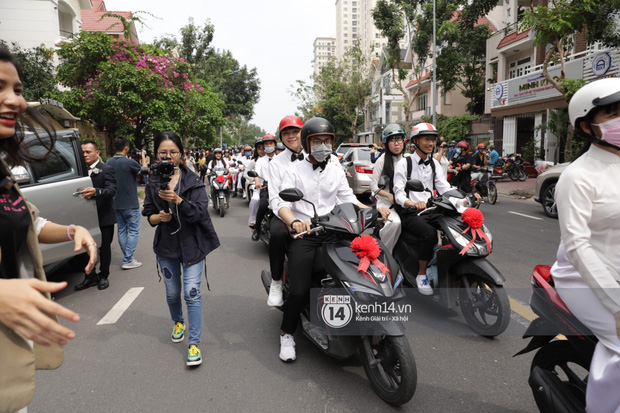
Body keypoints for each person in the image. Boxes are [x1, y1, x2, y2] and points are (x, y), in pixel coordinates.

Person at [0, 46, 97, 412]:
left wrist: (74, 231)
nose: (14, 100)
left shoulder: (3, 174)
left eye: (18, 89)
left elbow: (30, 221)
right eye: (0, 87)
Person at [550, 78, 620, 413]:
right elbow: (577, 245)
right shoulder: (577, 177)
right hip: (584, 277)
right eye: (614, 113)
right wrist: (616, 305)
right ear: (587, 126)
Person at [274, 117, 366, 361]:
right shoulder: (294, 170)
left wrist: (372, 210)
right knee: (299, 289)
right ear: (306, 143)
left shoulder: (336, 168)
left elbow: (348, 198)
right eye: (317, 140)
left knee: (355, 275)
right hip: (306, 233)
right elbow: (281, 202)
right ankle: (286, 334)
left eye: (327, 140)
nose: (323, 144)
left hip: (335, 230)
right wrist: (293, 221)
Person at [142, 131, 220, 367]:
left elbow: (199, 213)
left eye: (173, 152)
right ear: (157, 155)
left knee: (191, 294)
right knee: (173, 293)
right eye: (163, 153)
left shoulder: (194, 182)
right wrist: (159, 217)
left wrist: (178, 201)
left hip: (192, 246)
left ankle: (194, 343)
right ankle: (178, 321)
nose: (168, 157)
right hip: (166, 247)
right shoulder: (152, 182)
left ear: (181, 154)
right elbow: (148, 215)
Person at [393, 122, 452, 295]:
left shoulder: (434, 164)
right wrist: (412, 203)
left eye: (433, 140)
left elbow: (444, 187)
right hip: (411, 212)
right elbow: (398, 194)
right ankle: (421, 274)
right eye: (426, 139)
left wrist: (464, 196)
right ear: (416, 141)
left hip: (430, 209)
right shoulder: (404, 163)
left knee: (454, 224)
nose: (431, 143)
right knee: (430, 234)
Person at [266, 115, 305, 306]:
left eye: (295, 131)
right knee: (277, 233)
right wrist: (290, 219)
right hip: (283, 212)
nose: (291, 136)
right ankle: (276, 280)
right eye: (286, 133)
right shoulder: (276, 163)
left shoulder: (315, 157)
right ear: (281, 137)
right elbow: (275, 198)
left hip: (309, 212)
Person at [75, 140, 117, 291]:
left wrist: (96, 191)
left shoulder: (106, 169)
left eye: (88, 152)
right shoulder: (78, 171)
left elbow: (112, 190)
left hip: (104, 216)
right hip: (85, 218)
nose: (85, 155)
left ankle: (103, 275)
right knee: (86, 248)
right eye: (83, 152)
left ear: (97, 153)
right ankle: (90, 276)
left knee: (104, 247)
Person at [106, 136, 147, 270]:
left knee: (122, 230)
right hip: (131, 203)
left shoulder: (108, 162)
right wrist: (143, 157)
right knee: (134, 231)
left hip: (115, 203)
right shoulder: (130, 163)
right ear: (126, 148)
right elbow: (145, 171)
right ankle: (128, 259)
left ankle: (128, 258)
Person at [370, 123, 407, 253]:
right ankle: (384, 254)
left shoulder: (407, 160)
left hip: (405, 203)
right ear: (386, 143)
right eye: (392, 140)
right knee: (395, 223)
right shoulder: (382, 160)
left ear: (404, 141)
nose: (396, 143)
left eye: (399, 139)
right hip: (386, 203)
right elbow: (374, 186)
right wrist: (389, 196)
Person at [252, 134, 277, 241]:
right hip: (266, 188)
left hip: (280, 188)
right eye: (266, 144)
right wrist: (258, 183)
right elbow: (256, 174)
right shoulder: (260, 161)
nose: (268, 145)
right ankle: (257, 229)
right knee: (262, 206)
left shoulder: (281, 159)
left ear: (275, 145)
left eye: (270, 143)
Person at [247, 138, 265, 229]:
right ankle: (253, 220)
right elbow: (249, 173)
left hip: (274, 186)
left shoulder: (275, 159)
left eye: (263, 148)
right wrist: (255, 180)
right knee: (255, 200)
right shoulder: (256, 161)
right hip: (260, 185)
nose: (262, 151)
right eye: (259, 148)